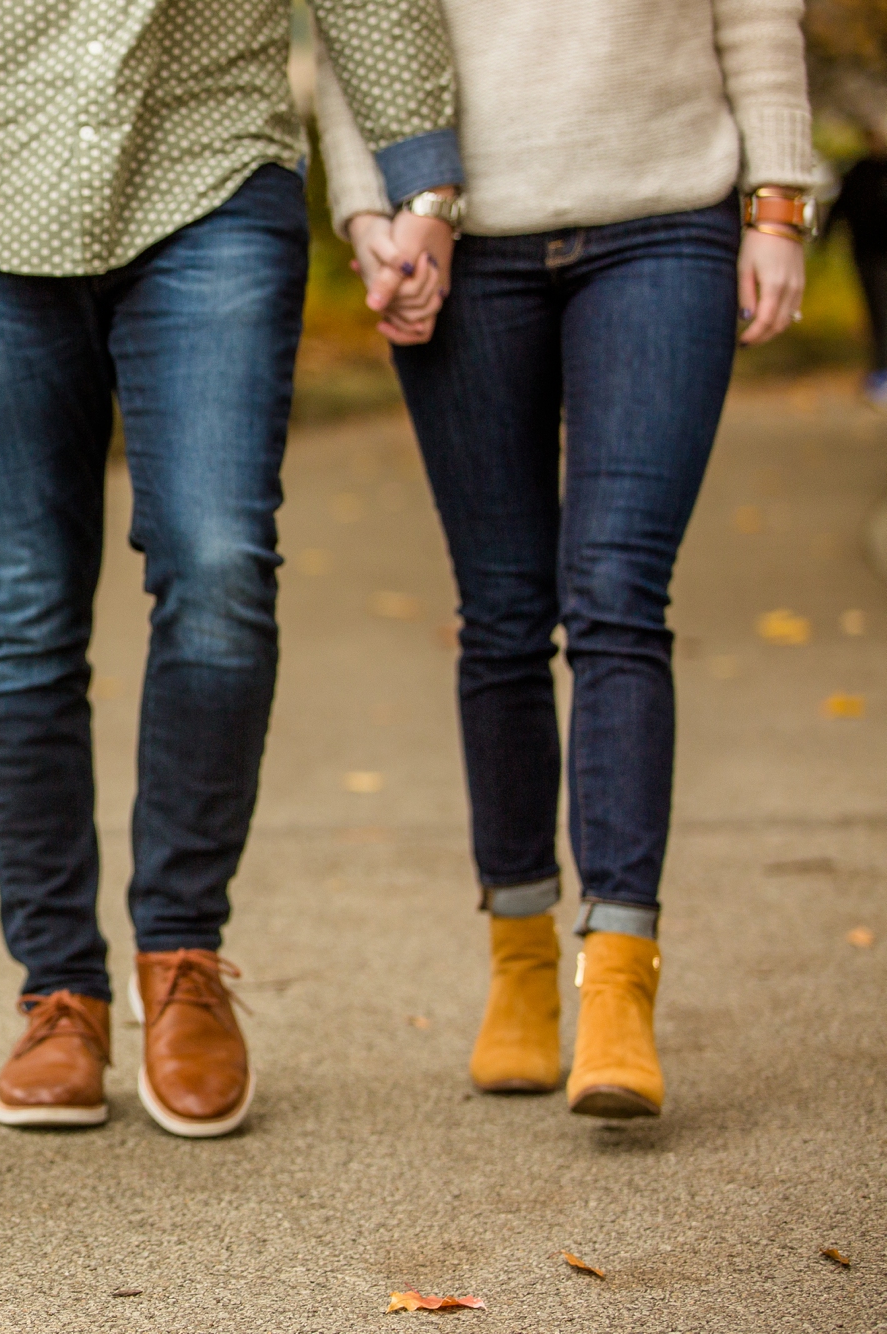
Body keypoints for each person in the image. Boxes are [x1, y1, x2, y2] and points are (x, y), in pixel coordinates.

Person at [0, 0, 461, 1137]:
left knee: (218, 561)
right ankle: (58, 990)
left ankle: (181, 956)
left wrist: (418, 176)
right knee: (24, 606)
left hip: (208, 173)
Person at [316, 0, 814, 1118]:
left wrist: (775, 205)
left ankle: (617, 983)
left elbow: (756, 12)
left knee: (616, 596)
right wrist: (366, 214)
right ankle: (519, 960)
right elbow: (357, 32)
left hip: (664, 223)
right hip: (455, 238)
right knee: (498, 614)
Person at [828, 126, 887, 409]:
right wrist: (825, 239)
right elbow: (841, 206)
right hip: (868, 255)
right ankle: (880, 374)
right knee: (879, 315)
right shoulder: (859, 171)